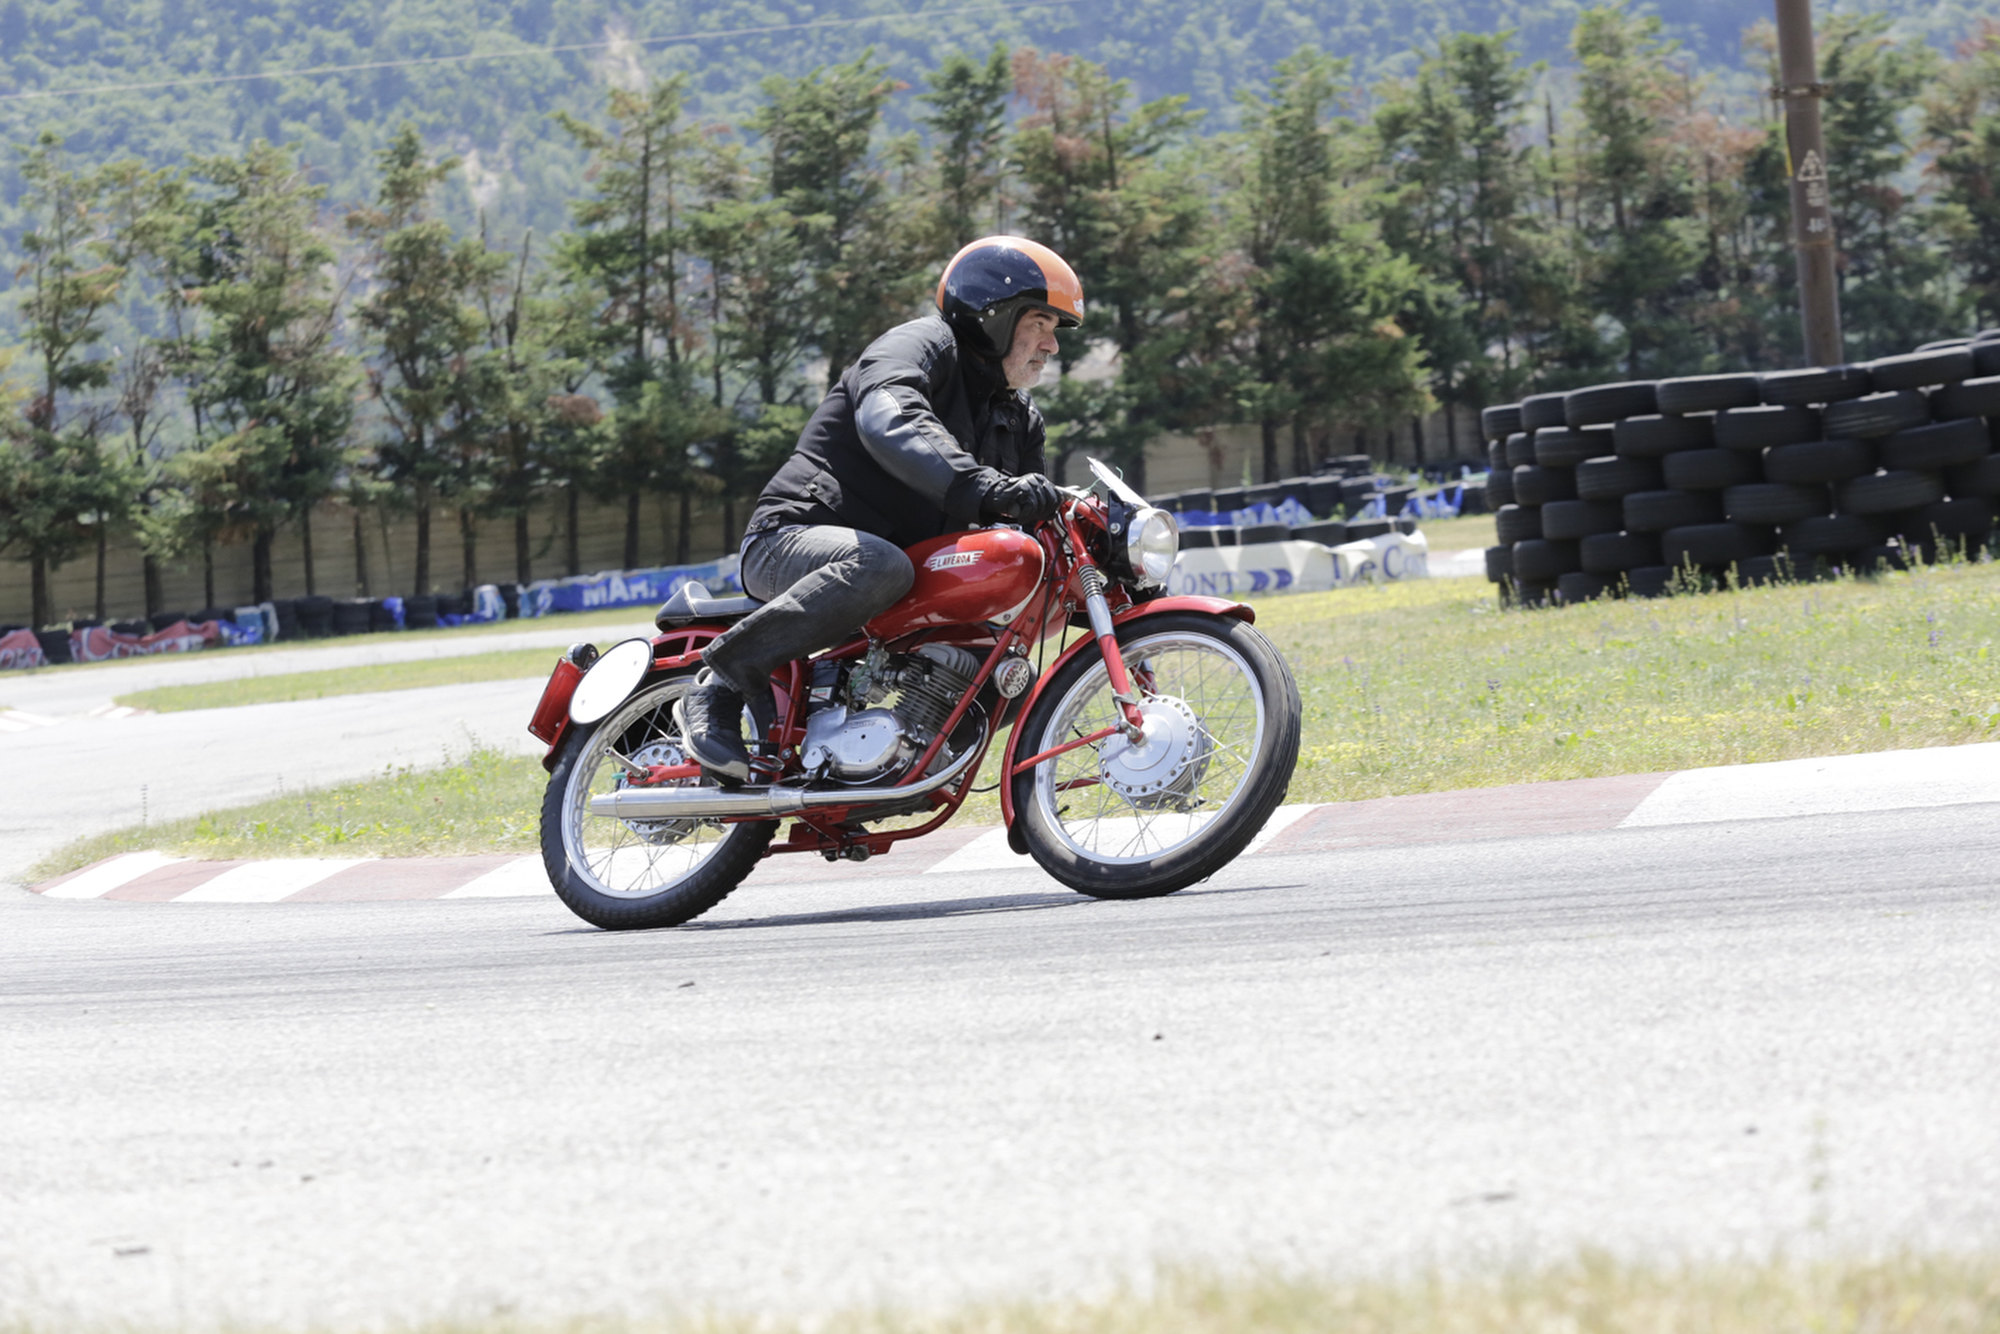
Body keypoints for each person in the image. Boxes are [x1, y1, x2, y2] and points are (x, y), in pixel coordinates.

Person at [678, 236, 1083, 784]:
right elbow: (892, 417)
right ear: (994, 314)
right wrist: (983, 487)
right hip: (791, 537)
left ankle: (898, 773)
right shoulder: (921, 345)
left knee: (1003, 670)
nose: (1051, 346)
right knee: (879, 564)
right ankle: (723, 681)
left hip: (897, 570)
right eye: (1039, 323)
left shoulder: (1018, 418)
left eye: (1055, 331)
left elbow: (1028, 516)